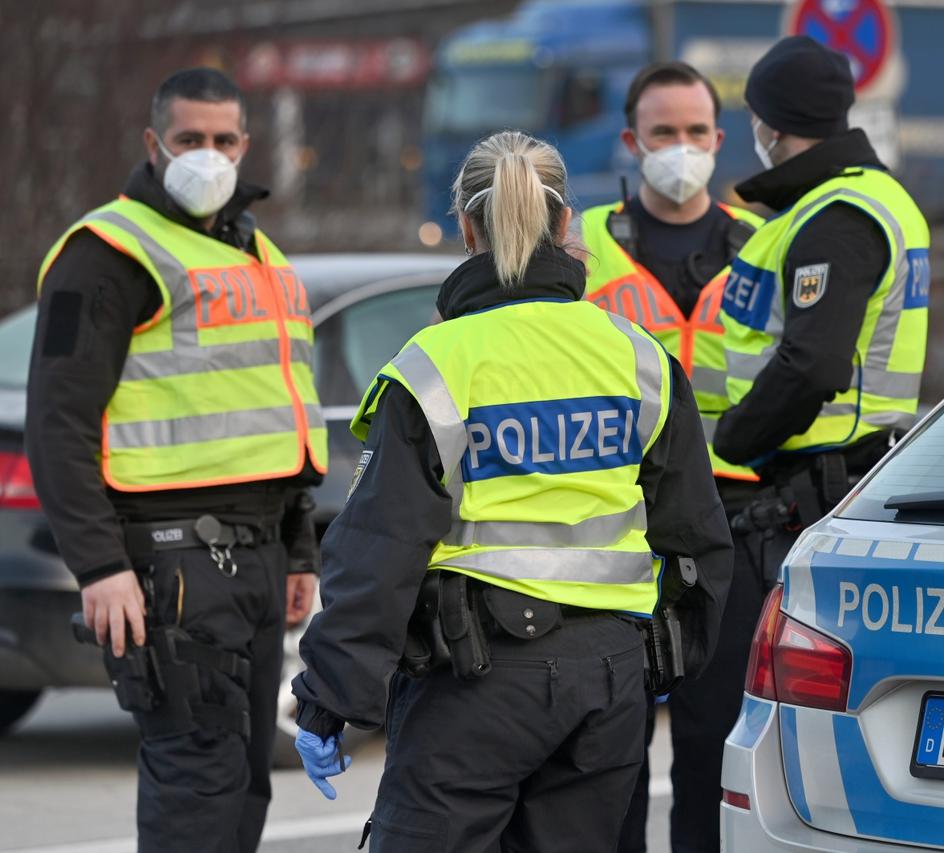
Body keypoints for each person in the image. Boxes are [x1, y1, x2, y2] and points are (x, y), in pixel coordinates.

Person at [289, 130, 734, 853]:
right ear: (567, 225)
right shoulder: (637, 355)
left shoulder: (438, 364)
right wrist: (664, 661)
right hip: (607, 682)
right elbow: (697, 535)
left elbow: (379, 547)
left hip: (477, 683)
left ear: (466, 228)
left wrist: (329, 696)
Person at [26, 68, 326, 852]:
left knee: (247, 782)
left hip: (256, 557)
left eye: (224, 140)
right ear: (153, 145)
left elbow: (281, 416)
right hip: (169, 565)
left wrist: (298, 551)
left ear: (247, 144)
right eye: (191, 139)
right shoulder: (108, 252)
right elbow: (58, 422)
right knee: (197, 777)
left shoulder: (257, 253)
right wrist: (97, 565)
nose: (210, 155)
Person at [576, 61, 763, 853]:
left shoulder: (764, 243)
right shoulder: (578, 244)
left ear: (720, 142)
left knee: (713, 749)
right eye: (663, 133)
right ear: (631, 140)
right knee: (607, 749)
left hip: (733, 523)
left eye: (694, 132)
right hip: (612, 521)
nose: (679, 148)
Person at [713, 36, 930, 592]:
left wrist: (734, 439)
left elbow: (813, 364)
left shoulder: (836, 218)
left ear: (773, 125)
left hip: (823, 487)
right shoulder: (857, 198)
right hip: (842, 480)